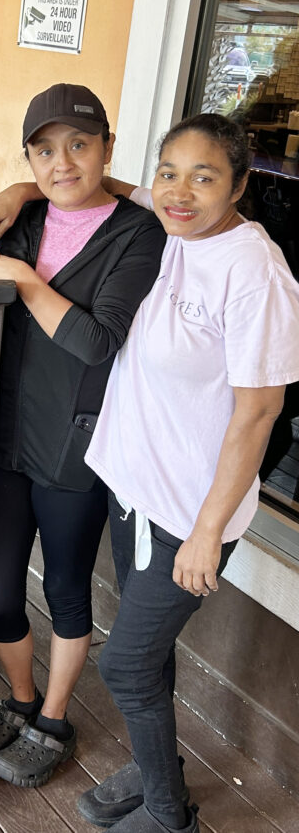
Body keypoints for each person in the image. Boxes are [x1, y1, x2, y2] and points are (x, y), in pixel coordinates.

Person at [76, 114, 299, 833]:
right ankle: (152, 769)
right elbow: (128, 188)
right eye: (170, 171)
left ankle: (171, 818)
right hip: (135, 486)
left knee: (127, 667)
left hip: (187, 516)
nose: (179, 191)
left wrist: (208, 533)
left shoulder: (255, 272)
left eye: (204, 177)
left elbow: (259, 413)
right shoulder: (172, 224)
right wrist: (24, 190)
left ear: (239, 185)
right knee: (149, 655)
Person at [0, 84, 165, 787]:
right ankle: (19, 697)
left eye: (79, 144)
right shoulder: (25, 218)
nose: (62, 163)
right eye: (44, 150)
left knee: (70, 590)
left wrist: (20, 279)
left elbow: (99, 341)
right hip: (5, 436)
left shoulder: (140, 234)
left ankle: (53, 717)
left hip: (78, 444)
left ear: (107, 148)